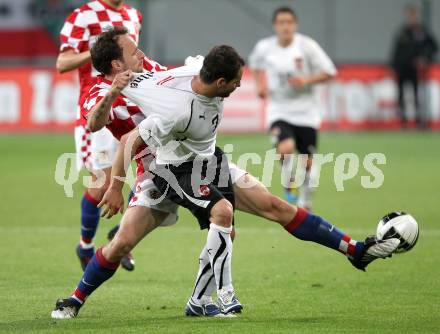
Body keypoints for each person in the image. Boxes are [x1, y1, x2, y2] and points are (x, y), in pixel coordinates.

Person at [50, 29, 400, 320]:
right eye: (133, 49)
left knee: (272, 205)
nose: (141, 51)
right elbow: (96, 123)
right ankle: (75, 299)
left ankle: (353, 249)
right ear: (116, 63)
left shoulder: (149, 71)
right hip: (154, 172)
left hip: (197, 161)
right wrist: (113, 100)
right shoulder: (97, 92)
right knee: (122, 243)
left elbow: (181, 84)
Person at [57, 0, 165, 271]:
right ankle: (85, 246)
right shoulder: (82, 16)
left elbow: (136, 59)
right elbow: (62, 62)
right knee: (103, 182)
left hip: (134, 102)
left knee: (153, 174)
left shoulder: (132, 15)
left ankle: (121, 236)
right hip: (101, 103)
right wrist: (93, 53)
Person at [249, 6, 336, 209]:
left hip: (307, 112)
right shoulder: (265, 47)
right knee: (285, 148)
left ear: (295, 25)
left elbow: (329, 72)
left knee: (307, 161)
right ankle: (289, 184)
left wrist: (306, 80)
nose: (285, 26)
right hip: (279, 109)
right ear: (275, 25)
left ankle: (306, 200)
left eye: (289, 22)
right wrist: (260, 85)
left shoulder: (307, 46)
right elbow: (254, 64)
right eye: (281, 23)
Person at [390, 4, 438, 128]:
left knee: (417, 95)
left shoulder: (422, 31)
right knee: (401, 96)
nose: (411, 18)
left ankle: (419, 121)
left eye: (413, 15)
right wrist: (394, 67)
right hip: (402, 69)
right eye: (409, 15)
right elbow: (396, 52)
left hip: (416, 71)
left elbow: (433, 46)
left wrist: (425, 58)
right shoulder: (402, 32)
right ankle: (403, 122)